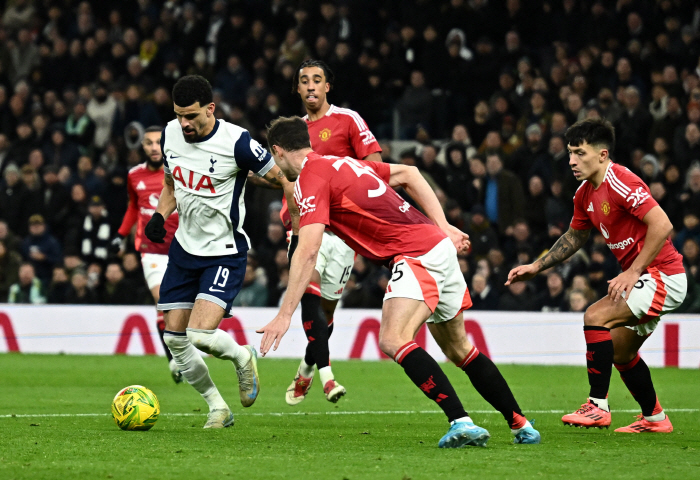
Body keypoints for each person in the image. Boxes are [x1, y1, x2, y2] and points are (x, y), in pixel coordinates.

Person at [259, 116, 540, 448]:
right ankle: (521, 424)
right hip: (436, 247)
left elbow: (307, 251)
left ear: (277, 151)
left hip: (415, 254)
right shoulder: (342, 163)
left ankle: (461, 422)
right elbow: (411, 173)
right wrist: (444, 225)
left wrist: (284, 314)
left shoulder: (309, 178)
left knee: (393, 339)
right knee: (459, 348)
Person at [506, 118, 686, 433]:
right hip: (647, 276)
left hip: (663, 274)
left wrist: (632, 271)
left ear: (602, 154)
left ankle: (597, 406)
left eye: (580, 153)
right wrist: (536, 266)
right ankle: (656, 419)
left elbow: (663, 224)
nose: (572, 160)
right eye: (570, 153)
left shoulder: (621, 181)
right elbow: (575, 237)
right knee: (621, 350)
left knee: (595, 315)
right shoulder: (584, 194)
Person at [145, 75, 296, 429]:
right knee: (175, 339)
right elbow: (171, 183)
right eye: (179, 115)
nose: (184, 123)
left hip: (223, 252)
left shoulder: (237, 142)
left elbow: (284, 177)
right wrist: (159, 214)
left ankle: (243, 357)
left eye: (192, 116)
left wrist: (296, 226)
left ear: (210, 109)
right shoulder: (170, 134)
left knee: (199, 334)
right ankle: (218, 407)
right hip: (184, 250)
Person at [283, 59, 382, 406]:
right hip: (306, 224)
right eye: (304, 81)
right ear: (297, 89)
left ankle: (307, 369)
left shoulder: (347, 120)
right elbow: (282, 175)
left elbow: (374, 165)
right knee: (308, 291)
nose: (310, 86)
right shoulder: (291, 130)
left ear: (328, 87)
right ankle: (327, 377)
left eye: (317, 80)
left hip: (342, 230)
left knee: (325, 314)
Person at [111, 125, 182, 384]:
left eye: (158, 142)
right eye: (149, 143)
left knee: (181, 308)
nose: (154, 147)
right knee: (163, 301)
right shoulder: (134, 176)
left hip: (182, 248)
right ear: (142, 146)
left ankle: (179, 354)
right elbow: (133, 207)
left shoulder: (179, 171)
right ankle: (174, 359)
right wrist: (120, 234)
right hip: (151, 250)